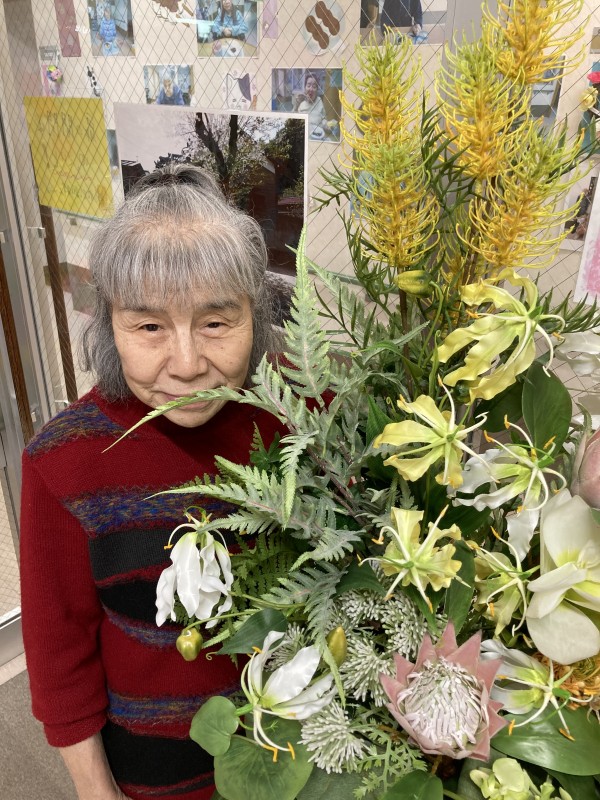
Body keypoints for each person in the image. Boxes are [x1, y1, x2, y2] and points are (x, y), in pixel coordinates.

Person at [20, 164, 286, 800]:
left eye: (216, 322)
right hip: (154, 776)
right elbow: (59, 660)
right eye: (149, 327)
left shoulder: (301, 420)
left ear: (256, 315)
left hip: (296, 761)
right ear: (108, 325)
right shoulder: (64, 462)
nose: (188, 365)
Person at [293, 73, 333, 138]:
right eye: (308, 86)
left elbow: (323, 119)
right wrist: (296, 105)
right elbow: (294, 122)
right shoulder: (301, 102)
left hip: (318, 135)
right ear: (305, 88)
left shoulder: (319, 101)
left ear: (317, 90)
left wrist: (328, 125)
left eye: (314, 87)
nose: (311, 89)